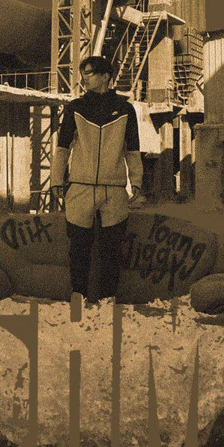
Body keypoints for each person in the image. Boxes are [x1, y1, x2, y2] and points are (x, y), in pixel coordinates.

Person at [50, 56, 142, 301]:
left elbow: (132, 149)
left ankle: (107, 299)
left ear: (105, 76)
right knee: (78, 249)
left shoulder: (125, 110)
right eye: (83, 73)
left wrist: (137, 181)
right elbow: (62, 147)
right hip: (80, 188)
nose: (84, 78)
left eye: (89, 73)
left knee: (112, 251)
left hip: (114, 190)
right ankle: (78, 297)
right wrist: (57, 180)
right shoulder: (75, 108)